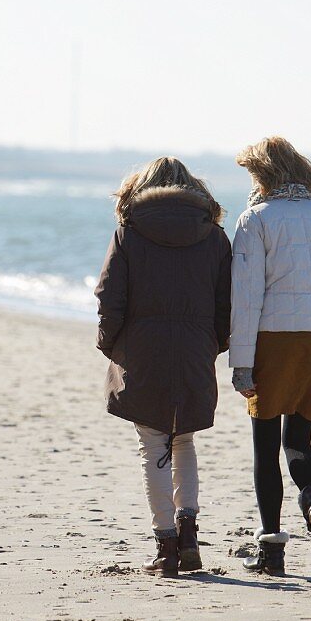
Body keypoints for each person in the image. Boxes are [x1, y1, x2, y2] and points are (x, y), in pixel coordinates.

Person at [95, 157, 231, 576]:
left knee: (153, 445)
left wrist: (109, 346)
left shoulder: (130, 233)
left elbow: (109, 297)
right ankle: (188, 533)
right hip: (193, 350)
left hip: (142, 350)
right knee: (184, 441)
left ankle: (166, 546)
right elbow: (228, 303)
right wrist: (213, 344)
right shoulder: (214, 237)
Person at [230, 136, 311, 576]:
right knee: (299, 438)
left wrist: (241, 362)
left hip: (273, 337)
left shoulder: (254, 219)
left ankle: (272, 551)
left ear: (262, 173)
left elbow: (246, 297)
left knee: (265, 446)